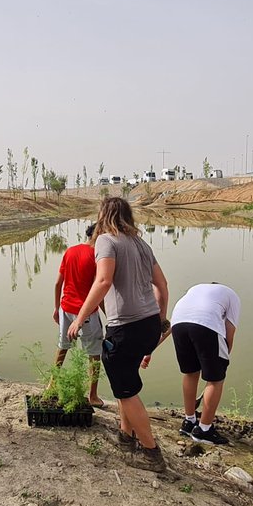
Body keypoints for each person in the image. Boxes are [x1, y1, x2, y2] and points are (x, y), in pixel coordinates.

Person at [68, 197, 169, 472]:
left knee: (126, 391)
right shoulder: (141, 244)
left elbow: (103, 281)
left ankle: (151, 454)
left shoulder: (105, 241)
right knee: (125, 384)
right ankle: (126, 436)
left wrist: (80, 318)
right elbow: (162, 285)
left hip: (125, 327)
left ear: (103, 216)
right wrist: (161, 320)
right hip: (149, 324)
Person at [169, 283, 241, 445]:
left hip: (178, 323)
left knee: (190, 372)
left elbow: (183, 319)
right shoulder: (232, 295)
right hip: (205, 323)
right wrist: (223, 361)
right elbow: (229, 331)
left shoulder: (195, 289)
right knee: (215, 380)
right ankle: (204, 430)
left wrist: (149, 351)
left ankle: (189, 422)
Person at [53, 224, 104, 408]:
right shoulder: (98, 257)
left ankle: (51, 385)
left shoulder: (70, 251)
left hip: (65, 308)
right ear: (99, 235)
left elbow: (58, 283)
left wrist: (56, 308)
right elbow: (99, 290)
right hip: (87, 312)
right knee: (94, 354)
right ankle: (93, 395)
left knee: (62, 347)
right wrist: (110, 316)